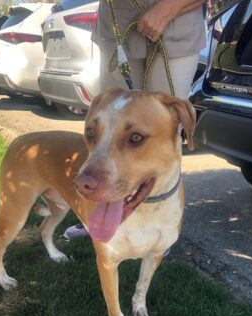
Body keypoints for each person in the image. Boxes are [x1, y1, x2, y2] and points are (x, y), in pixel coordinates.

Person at [64, 0, 206, 240]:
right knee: (109, 126)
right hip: (117, 23)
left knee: (163, 133)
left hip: (177, 25)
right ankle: (99, 216)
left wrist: (169, 8)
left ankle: (163, 226)